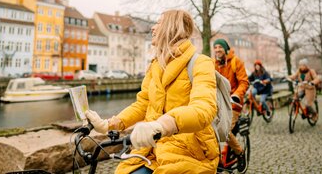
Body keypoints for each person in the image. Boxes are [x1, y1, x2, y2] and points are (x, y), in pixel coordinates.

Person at [85, 10, 219, 174]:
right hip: (151, 149)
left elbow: (204, 109)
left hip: (189, 151)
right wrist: (108, 124)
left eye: (159, 23)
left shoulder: (201, 63)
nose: (153, 28)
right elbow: (143, 104)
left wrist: (162, 125)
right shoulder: (156, 65)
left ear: (172, 27)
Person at [213, 39, 249, 173]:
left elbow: (244, 82)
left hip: (233, 104)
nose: (217, 50)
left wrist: (237, 95)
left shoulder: (236, 61)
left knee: (224, 129)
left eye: (220, 47)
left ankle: (240, 153)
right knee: (210, 129)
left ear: (226, 49)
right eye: (215, 47)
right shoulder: (212, 63)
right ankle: (218, 160)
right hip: (218, 103)